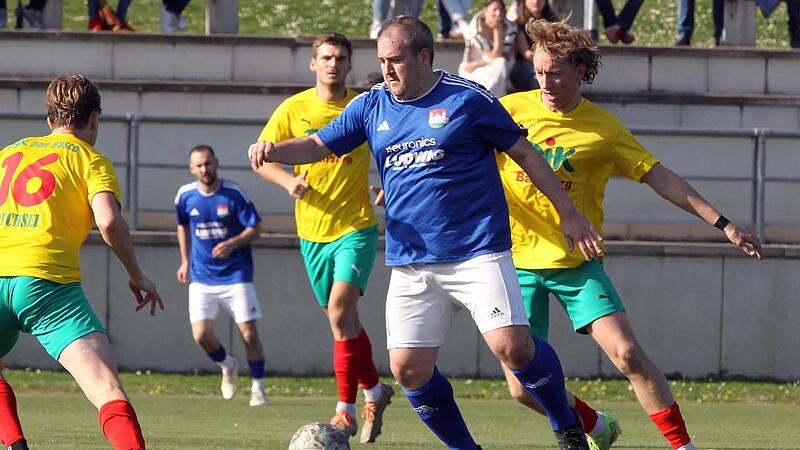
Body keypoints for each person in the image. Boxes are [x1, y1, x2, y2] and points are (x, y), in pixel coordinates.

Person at [249, 16, 604, 450]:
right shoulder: (371, 105)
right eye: (381, 61)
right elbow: (320, 144)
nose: (387, 71)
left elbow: (525, 152)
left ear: (423, 56)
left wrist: (567, 212)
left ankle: (566, 424)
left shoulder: (467, 98)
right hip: (411, 261)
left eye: (395, 60)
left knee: (514, 348)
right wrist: (274, 149)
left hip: (477, 251)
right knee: (408, 370)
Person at [496, 18, 764, 450]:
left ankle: (683, 447)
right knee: (521, 389)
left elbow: (662, 179)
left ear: (580, 72)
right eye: (540, 70)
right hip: (513, 263)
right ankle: (595, 425)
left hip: (576, 263)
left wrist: (725, 224)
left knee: (627, 354)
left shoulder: (605, 129)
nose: (545, 81)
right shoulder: (508, 110)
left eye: (556, 72)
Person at [0, 74, 164, 450]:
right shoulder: (92, 160)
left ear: (49, 120)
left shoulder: (9, 153)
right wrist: (136, 274)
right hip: (45, 282)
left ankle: (16, 444)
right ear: (95, 120)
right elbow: (108, 221)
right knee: (106, 388)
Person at [255, 32, 394, 444]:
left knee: (339, 311)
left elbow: (390, 150)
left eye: (341, 57)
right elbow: (263, 157)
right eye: (327, 57)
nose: (334, 64)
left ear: (350, 65)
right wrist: (286, 182)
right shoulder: (293, 108)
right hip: (312, 233)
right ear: (313, 64)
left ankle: (345, 411)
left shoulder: (363, 107)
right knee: (344, 321)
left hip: (356, 227)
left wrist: (390, 184)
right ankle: (376, 391)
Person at [175, 145, 268, 407]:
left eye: (208, 163)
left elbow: (256, 227)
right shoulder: (185, 196)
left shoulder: (234, 193)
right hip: (202, 277)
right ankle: (227, 365)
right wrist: (184, 261)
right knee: (201, 336)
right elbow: (182, 226)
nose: (205, 169)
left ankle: (258, 387)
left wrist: (233, 242)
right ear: (191, 168)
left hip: (236, 276)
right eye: (199, 166)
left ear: (216, 162)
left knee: (249, 334)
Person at [458, 0, 519, 97]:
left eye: (501, 10)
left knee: (500, 63)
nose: (498, 13)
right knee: (500, 63)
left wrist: (497, 31)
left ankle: (485, 99)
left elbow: (502, 56)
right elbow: (495, 56)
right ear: (485, 10)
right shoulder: (475, 29)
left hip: (493, 69)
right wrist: (480, 63)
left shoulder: (510, 28)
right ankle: (486, 99)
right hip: (474, 71)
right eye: (494, 10)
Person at [507, 0, 558, 91]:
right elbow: (526, 54)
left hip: (550, 62)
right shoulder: (519, 22)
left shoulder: (552, 21)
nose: (536, 1)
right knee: (539, 74)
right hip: (523, 67)